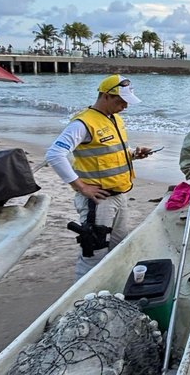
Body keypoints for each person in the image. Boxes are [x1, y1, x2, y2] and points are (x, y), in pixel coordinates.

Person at [45, 75, 152, 279]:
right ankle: (85, 301)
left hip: (120, 195)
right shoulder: (83, 123)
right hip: (98, 200)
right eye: (120, 101)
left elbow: (109, 152)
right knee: (94, 252)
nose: (124, 107)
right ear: (104, 95)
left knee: (119, 247)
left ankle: (111, 288)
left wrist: (133, 154)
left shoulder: (115, 118)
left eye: (126, 102)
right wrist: (81, 187)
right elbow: (54, 154)